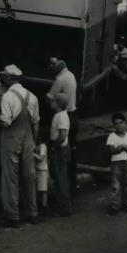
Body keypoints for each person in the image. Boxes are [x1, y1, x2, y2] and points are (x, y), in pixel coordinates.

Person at [0, 65, 40, 227]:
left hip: (11, 139)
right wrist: (33, 141)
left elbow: (6, 121)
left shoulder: (7, 96)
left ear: (8, 78)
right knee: (29, 176)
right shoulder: (32, 97)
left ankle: (12, 215)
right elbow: (36, 123)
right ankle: (32, 212)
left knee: (10, 178)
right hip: (28, 138)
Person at [47, 57, 79, 190]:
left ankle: (64, 189)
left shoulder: (59, 80)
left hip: (65, 115)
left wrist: (51, 105)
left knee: (62, 154)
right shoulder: (71, 74)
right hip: (73, 114)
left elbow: (49, 97)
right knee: (71, 152)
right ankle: (72, 184)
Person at [106, 113, 127, 215]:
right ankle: (114, 206)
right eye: (116, 123)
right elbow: (111, 150)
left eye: (121, 123)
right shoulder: (112, 136)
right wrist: (119, 149)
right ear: (113, 125)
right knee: (115, 185)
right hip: (116, 164)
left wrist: (123, 146)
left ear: (125, 123)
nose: (119, 125)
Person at [48, 92, 72, 216]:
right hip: (60, 148)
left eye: (53, 101)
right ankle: (62, 205)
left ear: (58, 104)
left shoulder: (61, 116)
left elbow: (62, 136)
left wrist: (53, 146)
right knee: (59, 177)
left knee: (60, 177)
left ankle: (64, 207)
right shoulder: (60, 115)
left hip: (59, 149)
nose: (51, 103)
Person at [33, 127, 49, 214]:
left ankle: (44, 206)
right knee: (39, 189)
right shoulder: (38, 146)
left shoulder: (42, 146)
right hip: (38, 169)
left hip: (42, 170)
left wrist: (33, 155)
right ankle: (41, 206)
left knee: (43, 190)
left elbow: (41, 158)